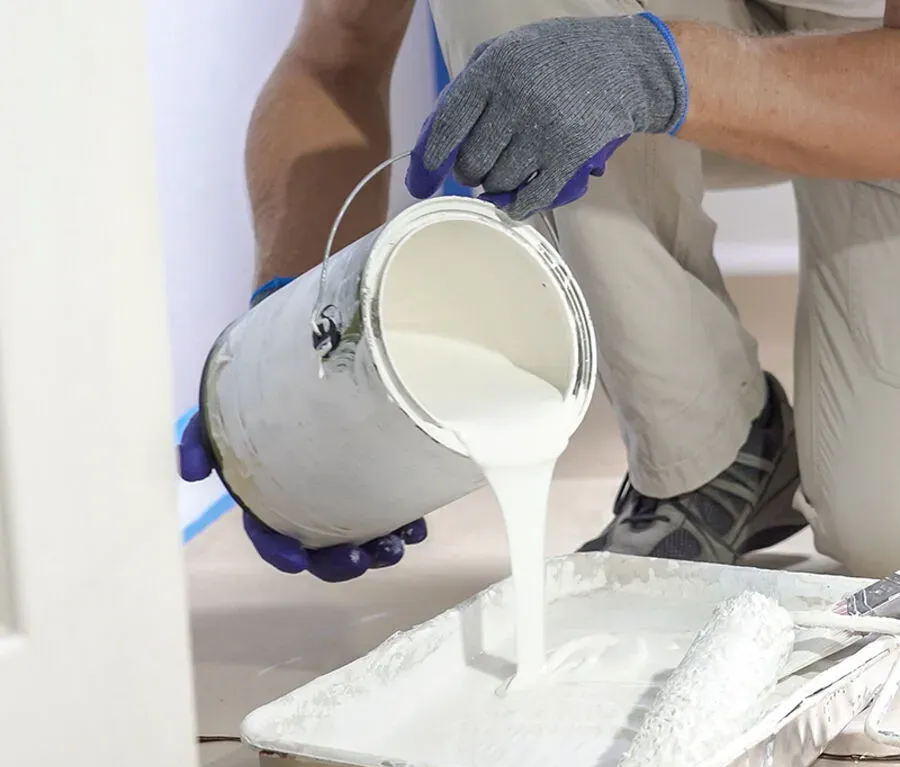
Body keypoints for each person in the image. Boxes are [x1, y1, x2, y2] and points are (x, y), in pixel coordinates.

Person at [180, 0, 900, 581]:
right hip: (691, 27)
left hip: (876, 74)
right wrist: (299, 339)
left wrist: (657, 69)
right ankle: (710, 455)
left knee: (884, 532)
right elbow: (337, 54)